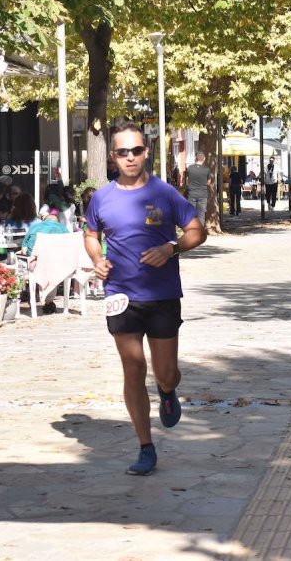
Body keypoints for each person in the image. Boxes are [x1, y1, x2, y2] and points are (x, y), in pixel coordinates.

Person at [84, 123, 207, 476]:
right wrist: (97, 259)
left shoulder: (165, 193)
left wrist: (170, 248)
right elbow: (91, 235)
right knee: (133, 367)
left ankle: (167, 392)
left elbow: (198, 231)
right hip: (120, 294)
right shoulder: (101, 198)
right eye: (122, 152)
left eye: (136, 150)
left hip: (162, 294)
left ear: (146, 152)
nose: (130, 158)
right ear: (113, 157)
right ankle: (145, 447)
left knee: (166, 372)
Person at [185, 152, 214, 218]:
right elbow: (209, 182)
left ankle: (192, 227)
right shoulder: (206, 169)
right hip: (203, 194)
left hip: (192, 193)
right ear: (204, 159)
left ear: (196, 158)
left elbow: (187, 181)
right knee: (201, 214)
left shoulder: (190, 168)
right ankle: (200, 228)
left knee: (191, 213)